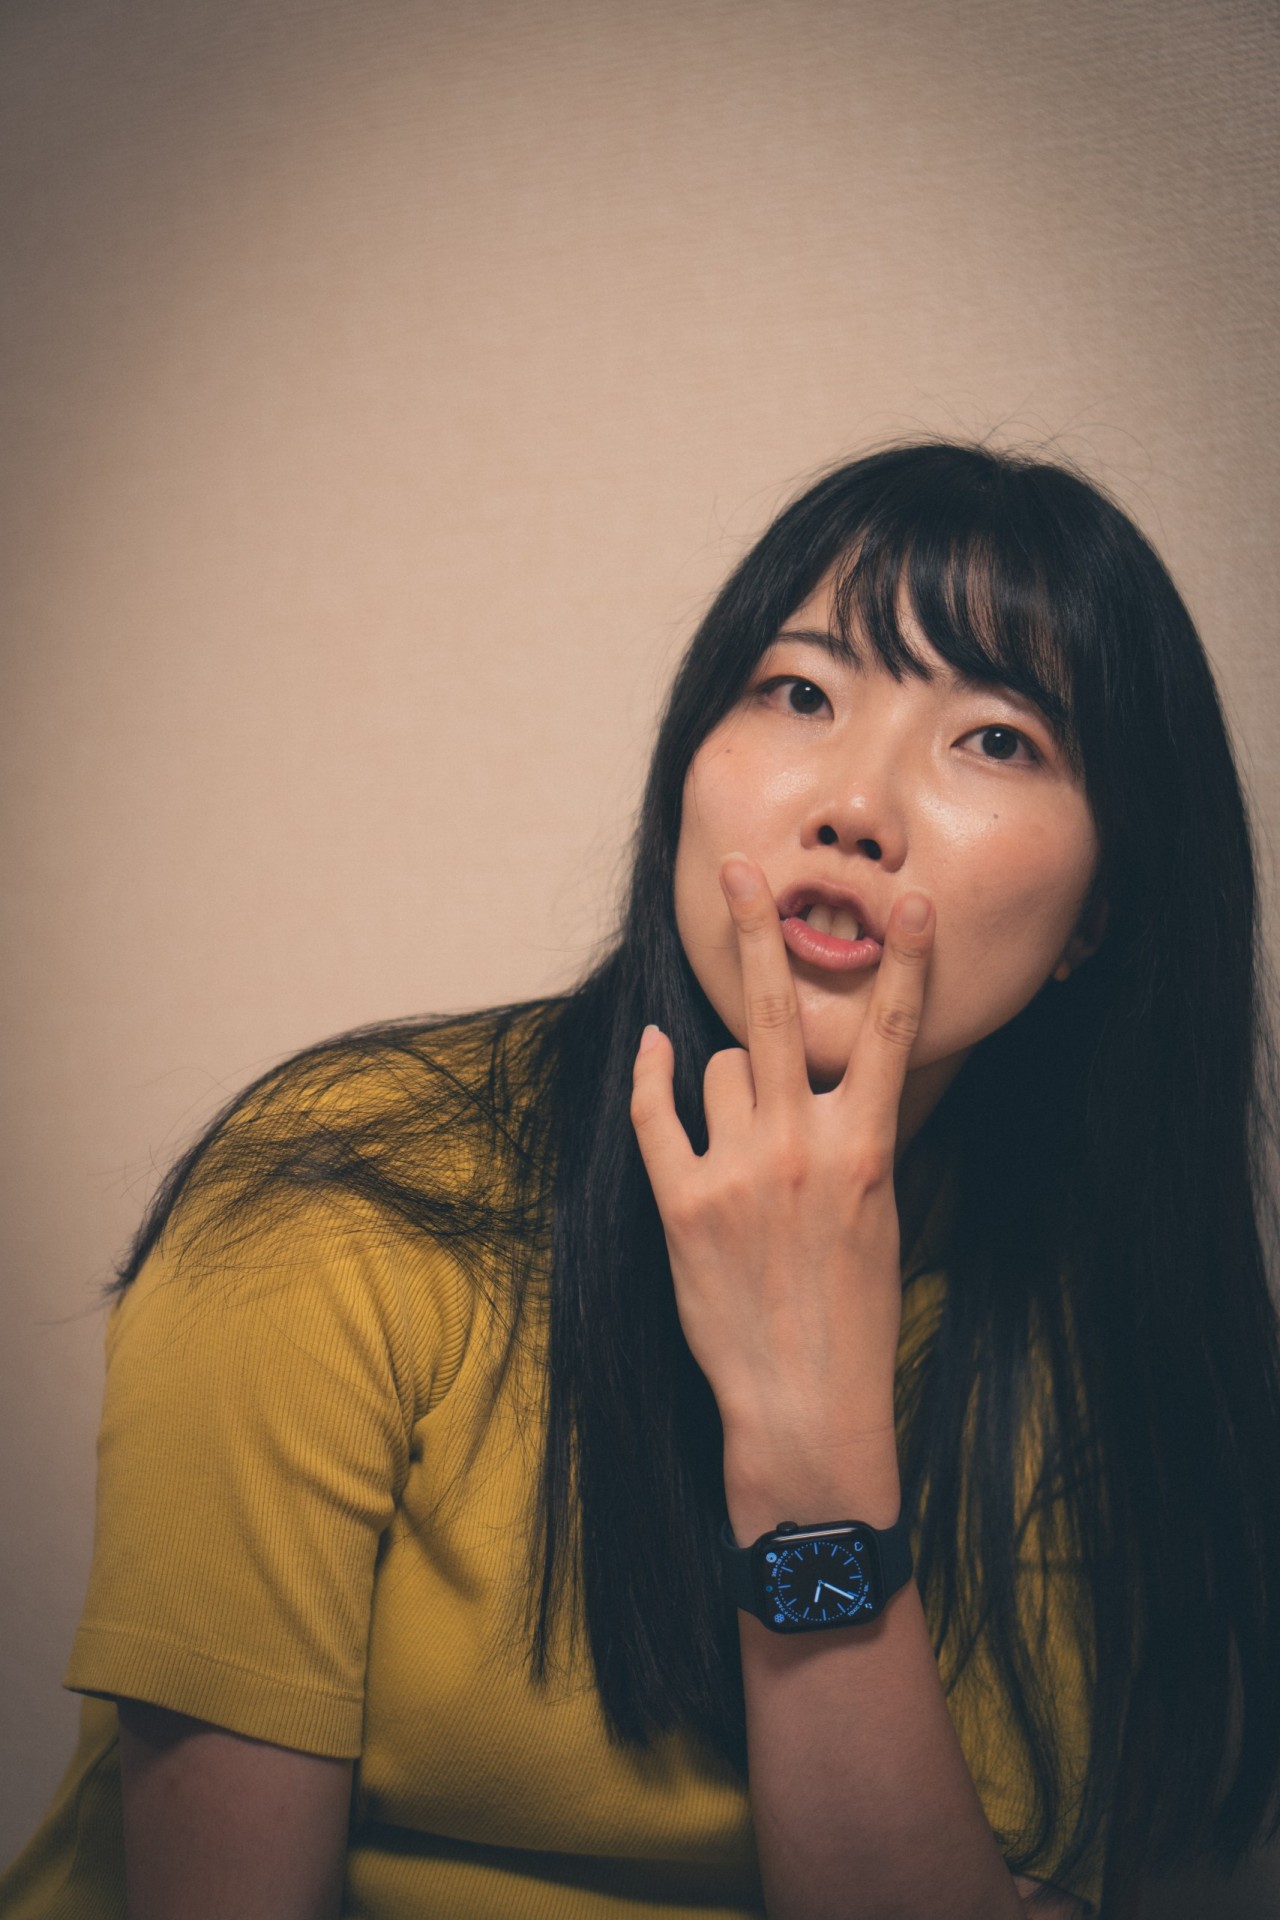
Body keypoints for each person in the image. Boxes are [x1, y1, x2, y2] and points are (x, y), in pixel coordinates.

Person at [3, 440, 1279, 1920]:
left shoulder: (1102, 1340)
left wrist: (809, 1443)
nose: (855, 804)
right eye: (800, 692)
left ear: (1097, 917)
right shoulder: (331, 1206)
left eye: (996, 739)